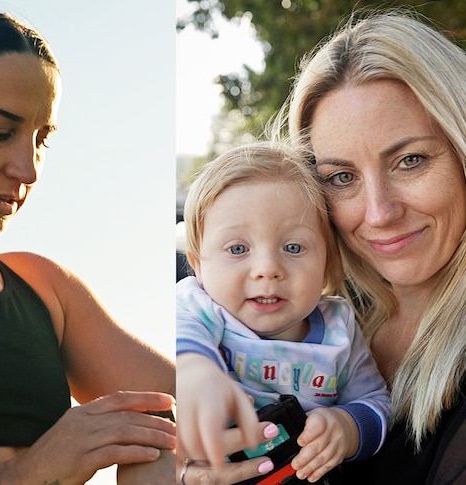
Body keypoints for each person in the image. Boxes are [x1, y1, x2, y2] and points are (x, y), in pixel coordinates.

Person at [0, 6, 176, 484]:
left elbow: (189, 405)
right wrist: (24, 474)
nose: (28, 170)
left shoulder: (43, 287)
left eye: (40, 140)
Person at [177, 9, 466, 485]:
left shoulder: (335, 332)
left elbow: (370, 409)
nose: (378, 212)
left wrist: (349, 426)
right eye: (342, 177)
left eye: (410, 160)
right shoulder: (318, 305)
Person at [176, 141, 390, 483]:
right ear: (198, 265)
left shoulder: (339, 330)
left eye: (293, 247)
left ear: (329, 266)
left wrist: (348, 428)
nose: (267, 268)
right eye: (237, 248)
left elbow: (377, 404)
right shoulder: (200, 308)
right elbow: (184, 340)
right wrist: (198, 373)